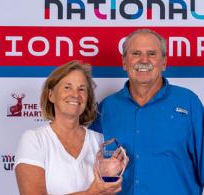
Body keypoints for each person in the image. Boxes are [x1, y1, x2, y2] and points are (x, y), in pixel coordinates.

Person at [90, 29, 204, 195]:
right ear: (124, 62)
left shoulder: (188, 103)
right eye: (136, 53)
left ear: (164, 62)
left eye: (152, 54)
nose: (144, 60)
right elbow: (87, 169)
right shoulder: (107, 108)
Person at [14, 61, 125, 195]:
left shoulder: (100, 141)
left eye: (82, 89)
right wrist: (91, 192)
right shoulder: (35, 140)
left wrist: (110, 178)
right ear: (51, 95)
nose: (75, 94)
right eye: (67, 87)